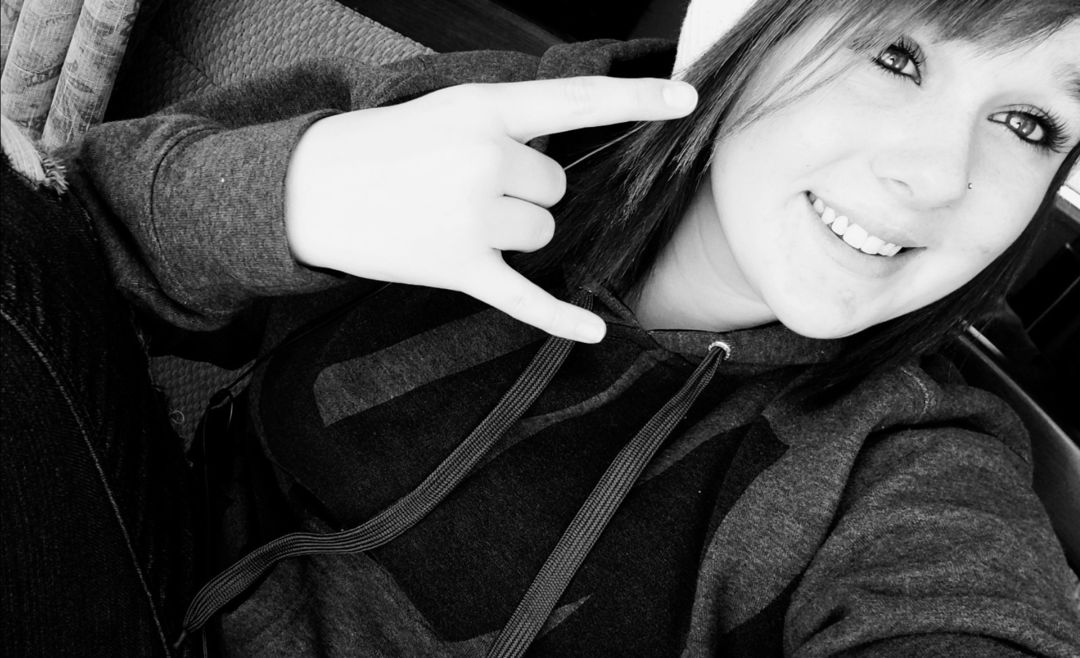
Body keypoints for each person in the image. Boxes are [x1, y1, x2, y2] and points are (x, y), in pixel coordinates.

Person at [4, 0, 1080, 655]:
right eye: (896, 56)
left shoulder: (919, 463)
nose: (940, 177)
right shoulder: (507, 116)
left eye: (1031, 124)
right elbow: (65, 241)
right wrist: (292, 198)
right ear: (751, 23)